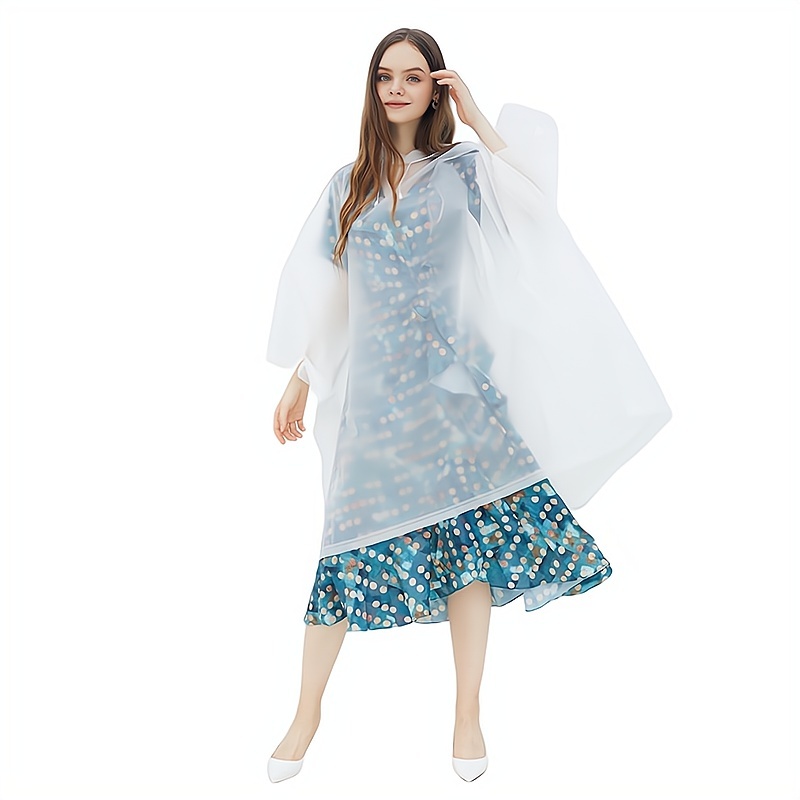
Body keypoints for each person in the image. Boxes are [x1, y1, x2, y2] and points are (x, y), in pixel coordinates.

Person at [265, 28, 671, 783]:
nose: (396, 89)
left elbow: (535, 205)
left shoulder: (464, 171)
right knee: (341, 546)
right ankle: (305, 713)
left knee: (469, 548)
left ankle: (467, 713)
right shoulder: (347, 185)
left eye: (414, 77)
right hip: (378, 404)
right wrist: (301, 376)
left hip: (456, 389)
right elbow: (329, 293)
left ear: (435, 88)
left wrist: (476, 113)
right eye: (385, 76)